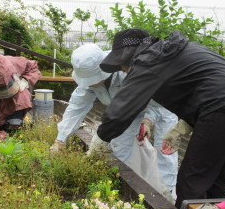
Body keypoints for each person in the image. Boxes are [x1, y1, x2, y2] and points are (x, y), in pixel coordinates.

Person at [96, 28, 225, 209]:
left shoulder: (147, 61)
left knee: (191, 181)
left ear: (128, 56)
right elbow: (203, 86)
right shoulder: (168, 52)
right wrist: (180, 128)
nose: (124, 71)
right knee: (216, 177)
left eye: (122, 65)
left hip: (222, 106)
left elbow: (120, 110)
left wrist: (100, 140)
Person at [50, 43, 178, 191]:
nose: (90, 84)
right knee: (119, 148)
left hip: (162, 108)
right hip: (126, 112)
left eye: (92, 80)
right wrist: (61, 139)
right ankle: (126, 188)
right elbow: (77, 107)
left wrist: (148, 120)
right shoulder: (91, 83)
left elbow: (156, 103)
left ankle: (167, 197)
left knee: (165, 153)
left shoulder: (127, 71)